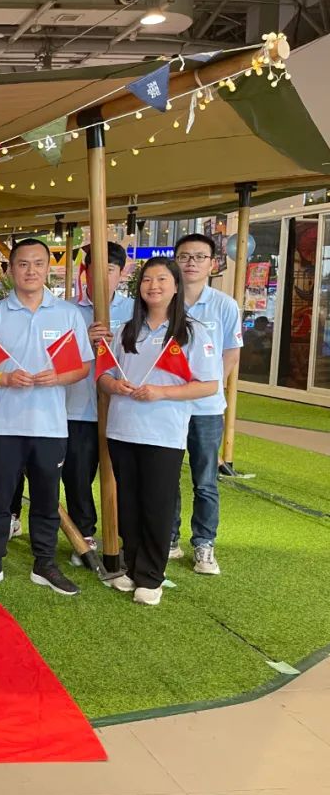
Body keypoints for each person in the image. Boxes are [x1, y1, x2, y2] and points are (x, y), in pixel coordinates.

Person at [0, 237, 93, 596]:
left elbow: (83, 367)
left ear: (48, 268)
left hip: (50, 427)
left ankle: (44, 564)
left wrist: (59, 377)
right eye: (23, 264)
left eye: (38, 263)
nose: (31, 270)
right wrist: (3, 379)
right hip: (4, 425)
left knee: (46, 498)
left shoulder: (67, 314)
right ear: (11, 270)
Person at [99, 257, 220, 604]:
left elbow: (209, 384)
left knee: (157, 505)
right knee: (129, 505)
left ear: (176, 286)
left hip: (163, 434)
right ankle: (134, 568)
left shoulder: (192, 332)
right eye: (147, 280)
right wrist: (114, 385)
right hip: (122, 431)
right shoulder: (127, 330)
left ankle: (152, 576)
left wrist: (162, 392)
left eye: (162, 279)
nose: (153, 286)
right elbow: (105, 374)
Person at [170, 233, 242, 574]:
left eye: (199, 257)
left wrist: (207, 388)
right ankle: (169, 538)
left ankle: (204, 543)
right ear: (175, 261)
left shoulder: (225, 305)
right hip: (167, 404)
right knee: (166, 475)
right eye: (185, 256)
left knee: (205, 479)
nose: (192, 263)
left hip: (206, 408)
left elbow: (231, 353)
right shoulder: (165, 299)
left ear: (212, 264)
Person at [63, 242, 135, 563]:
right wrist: (84, 341)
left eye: (110, 270)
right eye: (96, 269)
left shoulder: (135, 311)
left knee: (125, 477)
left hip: (123, 409)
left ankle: (126, 536)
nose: (103, 276)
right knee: (77, 475)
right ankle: (85, 533)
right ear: (86, 272)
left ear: (121, 273)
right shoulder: (67, 311)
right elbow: (55, 359)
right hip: (78, 408)